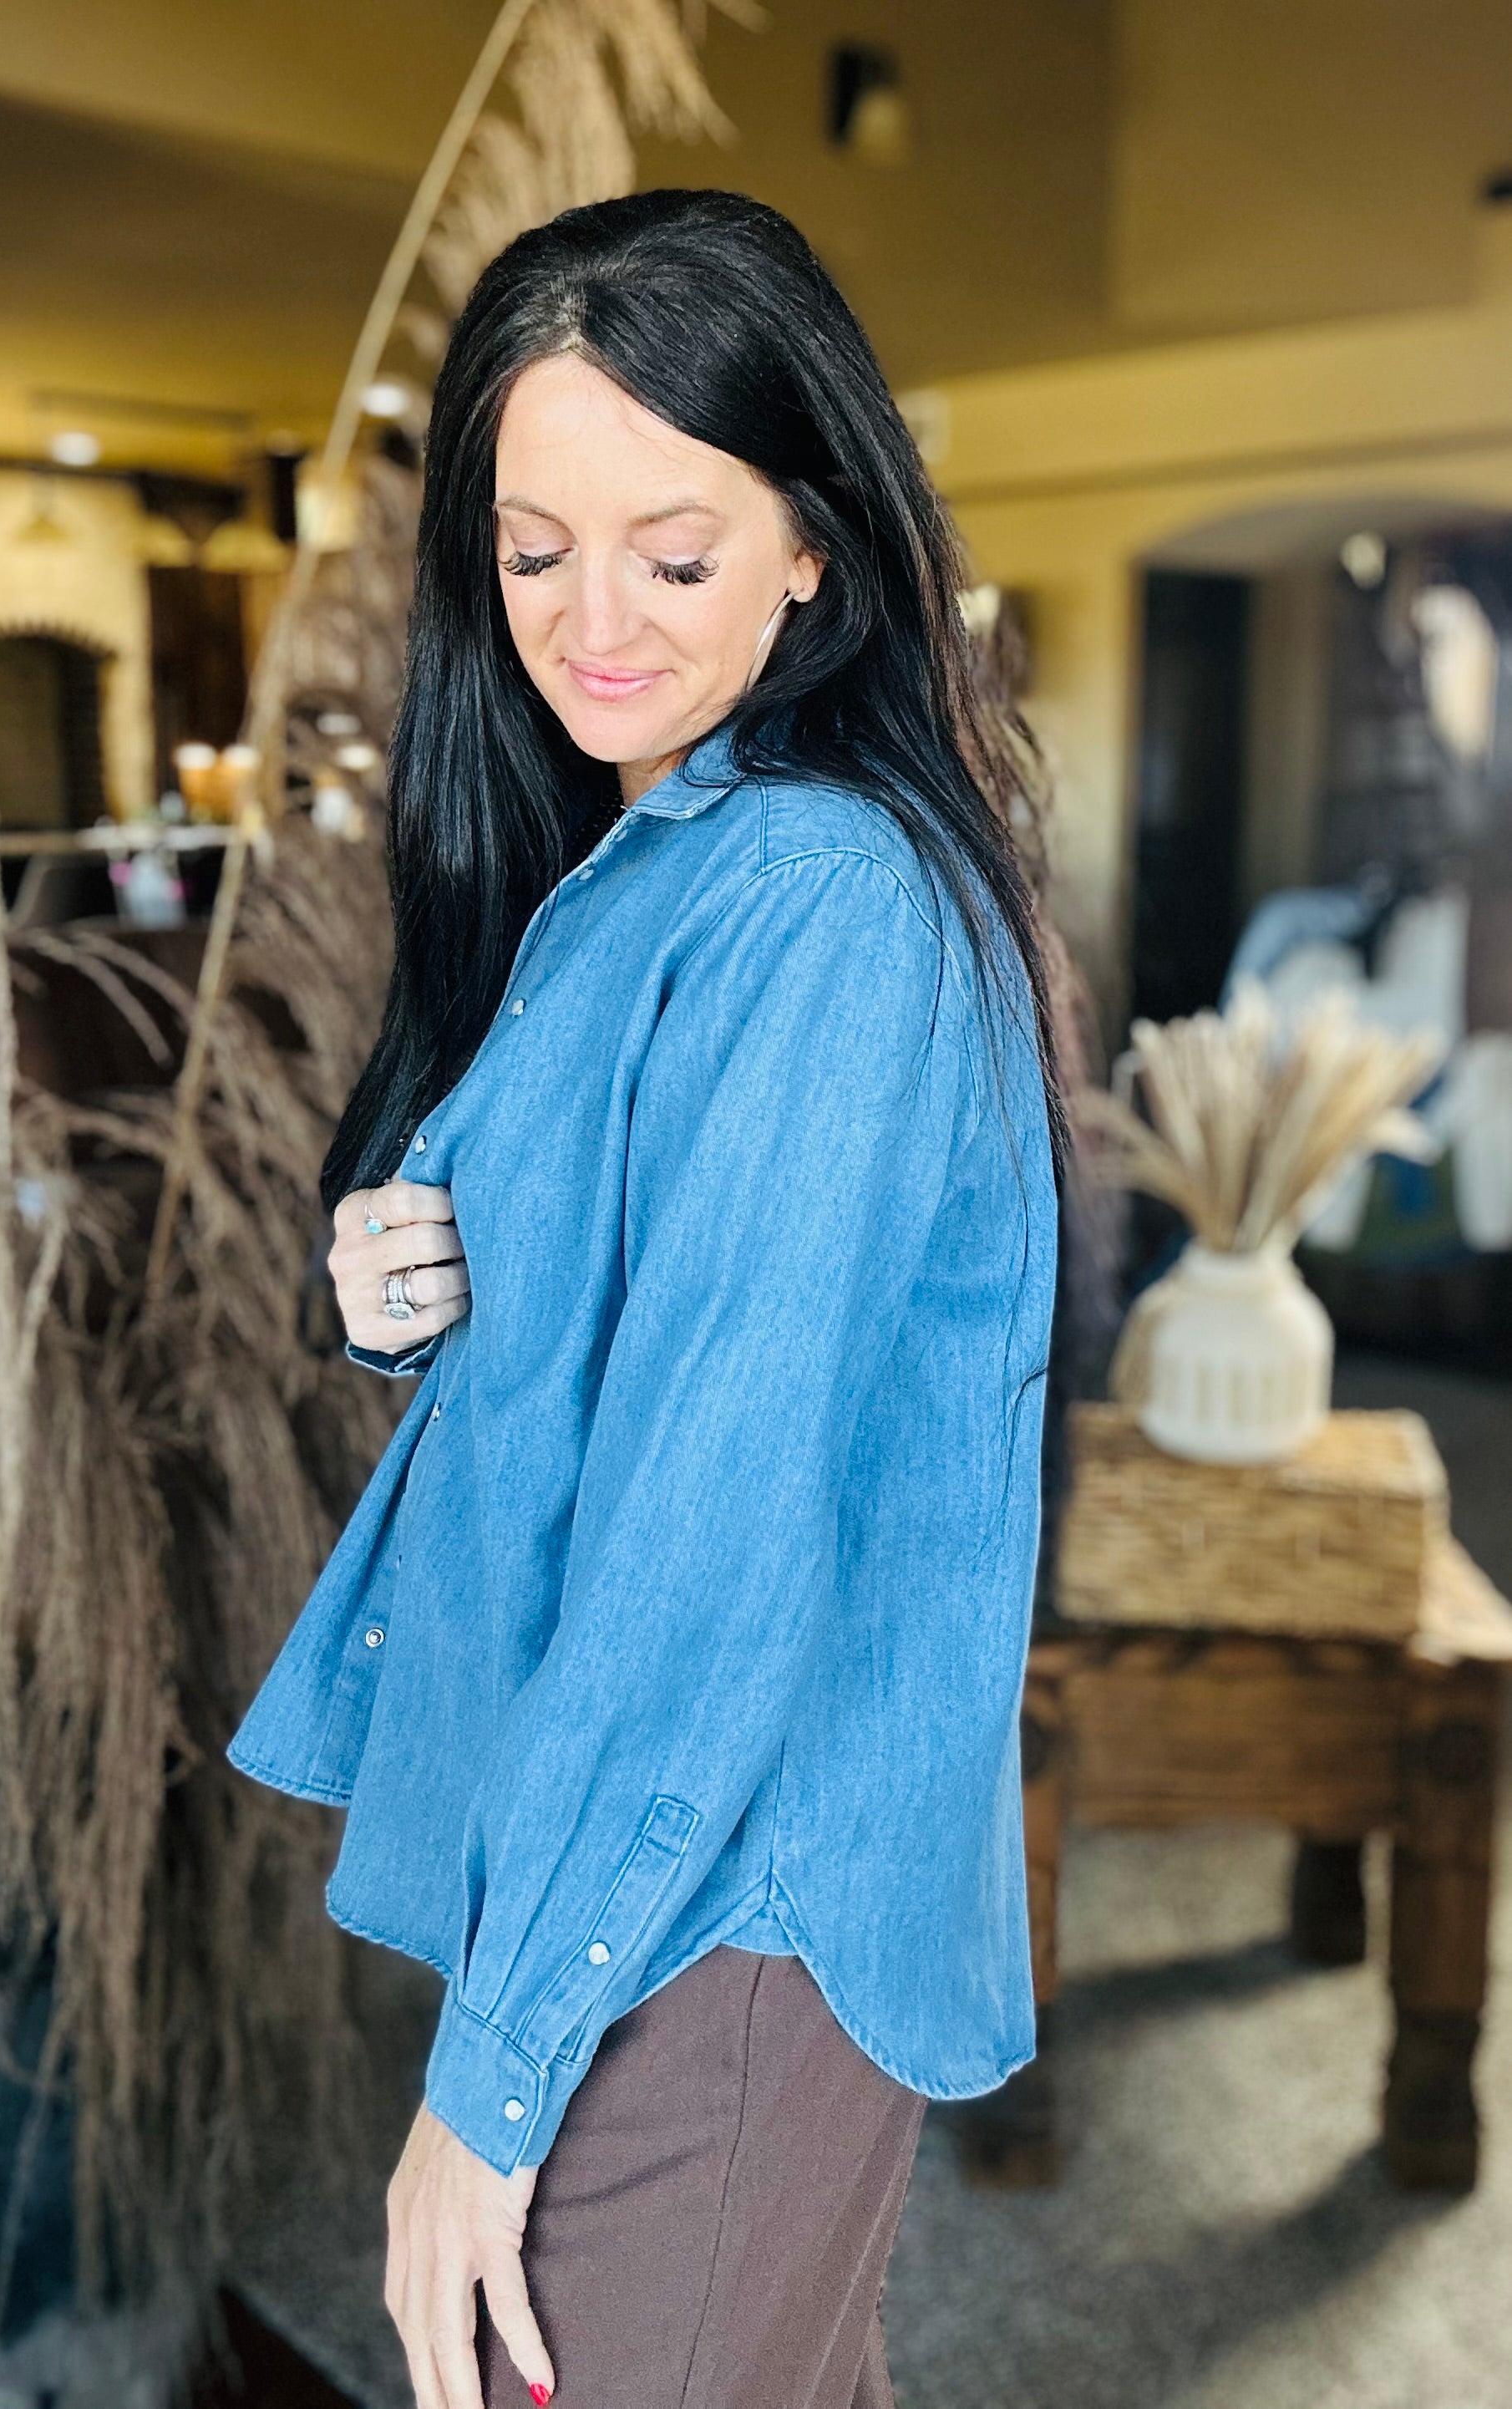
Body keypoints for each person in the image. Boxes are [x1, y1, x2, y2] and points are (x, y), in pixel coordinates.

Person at [230, 188, 1063, 2409]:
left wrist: (485, 2079)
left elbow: (711, 1529)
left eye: (673, 556)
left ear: (812, 552)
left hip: (718, 1899)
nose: (589, 622)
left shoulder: (815, 900)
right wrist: (411, 1282)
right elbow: (626, 1329)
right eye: (532, 551)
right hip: (654, 1856)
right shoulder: (648, 856)